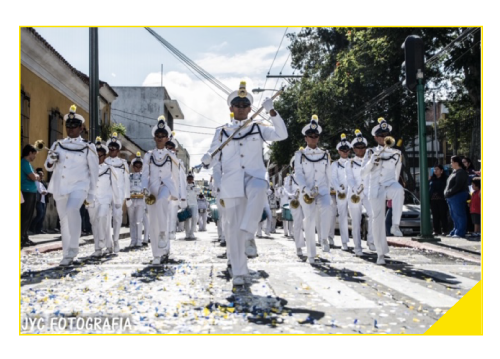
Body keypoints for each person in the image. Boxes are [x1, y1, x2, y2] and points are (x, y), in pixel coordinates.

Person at [201, 81, 287, 286]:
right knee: (232, 230)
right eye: (237, 105)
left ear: (250, 108)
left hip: (254, 178)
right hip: (232, 185)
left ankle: (250, 233)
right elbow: (214, 156)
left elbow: (282, 134)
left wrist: (272, 112)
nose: (241, 108)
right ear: (231, 108)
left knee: (259, 188)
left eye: (245, 105)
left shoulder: (258, 127)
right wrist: (207, 158)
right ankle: (239, 272)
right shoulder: (222, 132)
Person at [44, 105, 99, 266]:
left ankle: (74, 247)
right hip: (61, 186)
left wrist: (91, 194)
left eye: (74, 126)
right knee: (63, 220)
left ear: (81, 128)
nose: (70, 129)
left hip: (79, 186)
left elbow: (94, 172)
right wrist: (52, 159)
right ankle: (67, 253)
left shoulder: (88, 147)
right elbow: (47, 166)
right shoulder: (57, 145)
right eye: (68, 126)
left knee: (72, 209)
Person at [361, 117, 404, 265]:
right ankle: (380, 253)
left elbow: (397, 173)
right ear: (375, 137)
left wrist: (393, 191)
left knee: (399, 190)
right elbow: (363, 173)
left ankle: (395, 225)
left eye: (386, 135)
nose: (384, 138)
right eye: (381, 136)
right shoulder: (370, 152)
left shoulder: (396, 154)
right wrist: (373, 160)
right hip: (376, 189)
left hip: (389, 184)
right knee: (377, 221)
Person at [142, 115, 181, 265]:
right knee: (153, 223)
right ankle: (157, 254)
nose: (160, 138)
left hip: (166, 187)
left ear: (167, 138)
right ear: (154, 138)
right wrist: (145, 189)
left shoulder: (171, 155)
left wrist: (177, 194)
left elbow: (176, 175)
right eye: (157, 136)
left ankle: (164, 233)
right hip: (152, 189)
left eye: (163, 136)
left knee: (162, 202)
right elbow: (145, 175)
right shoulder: (148, 156)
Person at [294, 115, 332, 264]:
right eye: (310, 136)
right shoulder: (300, 155)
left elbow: (329, 174)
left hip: (322, 190)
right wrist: (304, 188)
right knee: (309, 220)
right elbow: (298, 173)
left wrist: (330, 190)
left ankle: (324, 238)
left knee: (328, 207)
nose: (313, 139)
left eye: (316, 136)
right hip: (306, 192)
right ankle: (311, 254)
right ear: (306, 138)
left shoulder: (325, 154)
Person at [88, 137, 120, 258]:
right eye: (96, 155)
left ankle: (101, 242)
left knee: (102, 217)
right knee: (95, 223)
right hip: (92, 199)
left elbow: (115, 186)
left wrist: (117, 201)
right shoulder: (88, 169)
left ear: (104, 156)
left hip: (105, 200)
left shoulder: (109, 169)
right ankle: (99, 247)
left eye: (100, 156)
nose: (98, 158)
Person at [346, 130, 376, 256]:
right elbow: (349, 178)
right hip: (354, 194)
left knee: (373, 215)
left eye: (363, 147)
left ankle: (371, 241)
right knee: (356, 221)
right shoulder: (350, 163)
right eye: (358, 148)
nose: (361, 150)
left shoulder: (370, 161)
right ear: (353, 149)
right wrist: (356, 189)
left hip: (367, 192)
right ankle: (357, 247)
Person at [105, 133, 130, 254]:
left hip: (118, 194)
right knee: (106, 218)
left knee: (117, 218)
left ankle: (116, 240)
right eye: (110, 148)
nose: (112, 150)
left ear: (118, 150)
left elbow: (126, 179)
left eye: (114, 148)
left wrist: (127, 196)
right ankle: (108, 242)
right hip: (106, 193)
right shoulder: (104, 161)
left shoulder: (123, 163)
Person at [331, 134, 351, 251]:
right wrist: (339, 189)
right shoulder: (335, 164)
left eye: (347, 150)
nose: (345, 152)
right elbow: (333, 179)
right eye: (343, 150)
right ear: (339, 151)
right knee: (343, 217)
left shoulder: (353, 162)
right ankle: (344, 241)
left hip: (353, 192)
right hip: (341, 192)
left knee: (356, 216)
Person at [445, 156, 469, 238]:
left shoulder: (461, 172)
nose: (451, 164)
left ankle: (460, 232)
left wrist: (449, 192)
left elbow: (458, 185)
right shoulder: (454, 172)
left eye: (451, 162)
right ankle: (456, 229)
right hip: (451, 197)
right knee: (454, 215)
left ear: (456, 163)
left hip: (457, 195)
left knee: (459, 214)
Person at [285, 156, 305, 256]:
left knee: (307, 223)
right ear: (293, 167)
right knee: (297, 223)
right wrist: (292, 195)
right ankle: (299, 246)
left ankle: (308, 245)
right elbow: (286, 190)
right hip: (295, 201)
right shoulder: (290, 178)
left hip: (305, 201)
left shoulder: (306, 177)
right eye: (296, 165)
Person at [21, 144, 40, 247]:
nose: (35, 157)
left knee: (28, 216)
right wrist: (35, 176)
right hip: (27, 192)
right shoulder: (25, 163)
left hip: (30, 191)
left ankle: (25, 237)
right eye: (35, 154)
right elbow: (33, 177)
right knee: (25, 216)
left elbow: (34, 176)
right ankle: (22, 238)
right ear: (30, 153)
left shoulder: (27, 163)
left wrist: (35, 176)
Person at [127, 152, 147, 248]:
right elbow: (126, 187)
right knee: (132, 221)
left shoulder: (144, 177)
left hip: (140, 200)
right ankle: (133, 240)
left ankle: (139, 240)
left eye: (139, 166)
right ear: (133, 166)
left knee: (139, 220)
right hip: (131, 200)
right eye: (136, 166)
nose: (138, 168)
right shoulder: (129, 176)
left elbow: (147, 188)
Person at [429, 164, 449, 236]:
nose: (435, 171)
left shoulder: (445, 179)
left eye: (437, 169)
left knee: (443, 215)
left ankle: (445, 230)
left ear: (441, 171)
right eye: (434, 169)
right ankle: (436, 230)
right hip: (433, 200)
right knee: (435, 216)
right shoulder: (432, 179)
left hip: (442, 199)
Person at [30, 168, 48, 235]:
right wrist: (46, 192)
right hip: (39, 201)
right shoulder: (37, 183)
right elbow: (42, 191)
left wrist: (46, 192)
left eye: (42, 175)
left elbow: (45, 191)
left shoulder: (41, 183)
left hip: (43, 201)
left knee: (42, 216)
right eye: (41, 175)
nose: (42, 177)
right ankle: (31, 227)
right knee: (40, 215)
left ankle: (38, 229)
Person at [185, 173, 201, 240]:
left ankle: (192, 233)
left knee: (194, 218)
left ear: (193, 179)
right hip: (187, 204)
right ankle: (187, 234)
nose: (189, 180)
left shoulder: (196, 187)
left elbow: (198, 192)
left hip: (194, 204)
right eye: (188, 179)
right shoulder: (184, 187)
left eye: (191, 179)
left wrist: (193, 188)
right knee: (187, 220)